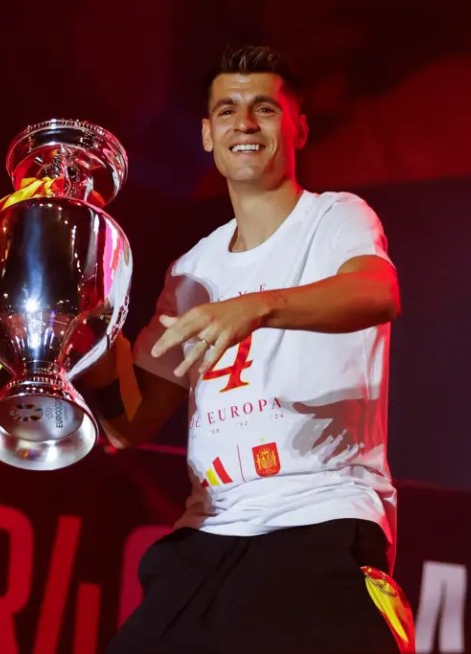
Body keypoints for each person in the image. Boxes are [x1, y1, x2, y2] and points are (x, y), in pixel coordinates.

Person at [79, 43, 413, 654]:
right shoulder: (192, 268)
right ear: (208, 134)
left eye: (265, 108)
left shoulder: (336, 217)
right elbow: (129, 424)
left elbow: (377, 292)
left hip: (320, 518)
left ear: (299, 127)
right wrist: (87, 336)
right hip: (210, 534)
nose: (246, 123)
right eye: (228, 110)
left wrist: (256, 307)